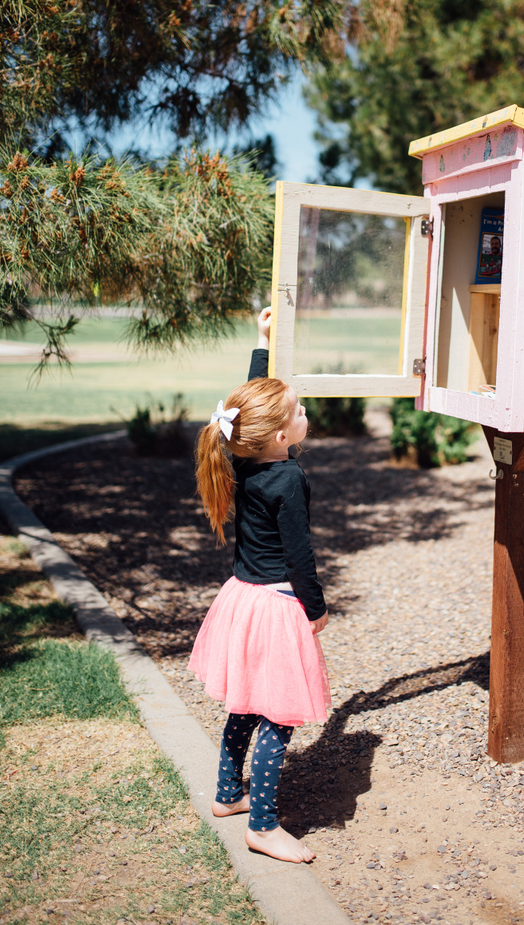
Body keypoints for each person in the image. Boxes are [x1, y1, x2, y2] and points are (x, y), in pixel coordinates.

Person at [190, 306, 330, 864]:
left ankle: (229, 795)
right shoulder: (288, 476)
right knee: (279, 712)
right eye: (297, 411)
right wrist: (315, 608)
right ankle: (264, 826)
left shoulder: (242, 456)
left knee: (245, 702)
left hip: (240, 599)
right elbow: (300, 554)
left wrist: (262, 341)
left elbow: (248, 403)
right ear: (278, 434)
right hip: (276, 604)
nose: (304, 413)